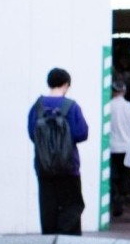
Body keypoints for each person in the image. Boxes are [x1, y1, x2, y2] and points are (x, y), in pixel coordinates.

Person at [29, 67, 90, 235]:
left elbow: (32, 133)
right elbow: (81, 133)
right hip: (68, 166)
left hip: (44, 166)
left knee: (48, 206)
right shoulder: (71, 106)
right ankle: (67, 235)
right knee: (74, 204)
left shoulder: (37, 107)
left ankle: (50, 238)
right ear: (66, 84)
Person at [106, 79, 130, 216]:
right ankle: (123, 197)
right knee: (126, 175)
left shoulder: (107, 106)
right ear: (124, 91)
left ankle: (115, 196)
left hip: (111, 146)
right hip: (128, 146)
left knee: (113, 176)